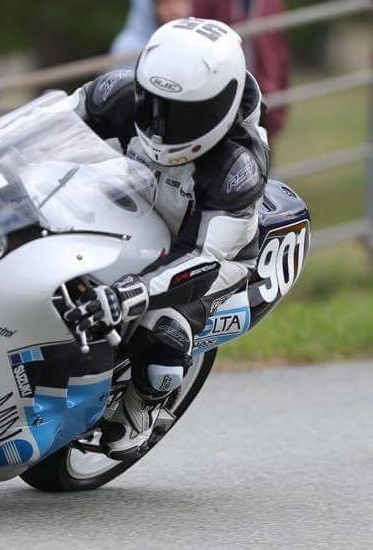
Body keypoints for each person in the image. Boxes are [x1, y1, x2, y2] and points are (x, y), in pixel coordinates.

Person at [64, 18, 272, 459]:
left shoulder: (236, 168)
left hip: (207, 253)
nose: (163, 125)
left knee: (164, 335)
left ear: (219, 106)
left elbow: (206, 256)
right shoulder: (118, 93)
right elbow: (52, 125)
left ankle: (145, 406)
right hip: (136, 203)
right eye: (153, 105)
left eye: (185, 114)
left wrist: (132, 294)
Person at [192, 0, 291, 135]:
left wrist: (279, 103)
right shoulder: (209, 4)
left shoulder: (272, 4)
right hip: (222, 100)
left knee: (263, 150)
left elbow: (280, 52)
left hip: (265, 97)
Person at [110, 0, 195, 59]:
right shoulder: (128, 47)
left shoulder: (195, 42)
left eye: (180, 2)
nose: (175, 10)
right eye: (165, 3)